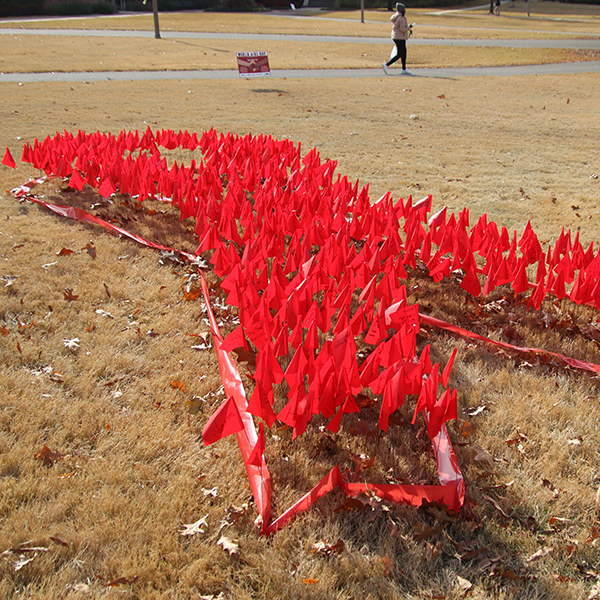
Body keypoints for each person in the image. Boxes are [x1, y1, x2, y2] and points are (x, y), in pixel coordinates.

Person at [382, 3, 412, 75]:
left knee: (404, 52)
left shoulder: (397, 16)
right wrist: (409, 28)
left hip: (397, 36)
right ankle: (386, 65)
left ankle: (404, 69)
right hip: (399, 37)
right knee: (400, 53)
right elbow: (402, 29)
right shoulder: (401, 18)